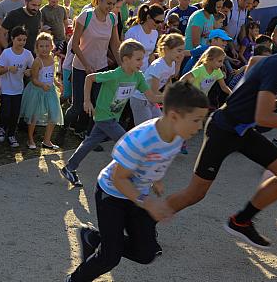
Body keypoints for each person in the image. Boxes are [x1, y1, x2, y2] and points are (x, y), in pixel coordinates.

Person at [165, 15, 277, 248]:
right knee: (194, 194)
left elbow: (253, 61)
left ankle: (241, 221)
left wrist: (249, 91)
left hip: (242, 131)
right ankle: (145, 218)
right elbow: (263, 117)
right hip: (223, 130)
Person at [65, 82, 210, 282]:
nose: (200, 126)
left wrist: (157, 179)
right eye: (196, 120)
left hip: (137, 195)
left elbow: (158, 159)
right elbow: (118, 178)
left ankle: (93, 237)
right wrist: (148, 203)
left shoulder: (177, 137)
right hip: (112, 194)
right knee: (109, 257)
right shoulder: (140, 139)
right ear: (174, 116)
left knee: (146, 253)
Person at [60, 39, 166, 188]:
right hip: (105, 117)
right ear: (125, 60)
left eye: (142, 59)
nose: (142, 62)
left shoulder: (138, 76)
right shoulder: (115, 74)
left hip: (113, 117)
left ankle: (69, 168)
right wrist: (87, 101)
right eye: (138, 59)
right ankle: (137, 176)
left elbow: (152, 97)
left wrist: (171, 97)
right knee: (128, 143)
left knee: (89, 143)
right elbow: (89, 78)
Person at [59, 0, 122, 142]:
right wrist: (86, 65)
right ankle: (63, 129)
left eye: (113, 4)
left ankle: (88, 136)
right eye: (108, 3)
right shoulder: (86, 16)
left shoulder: (112, 18)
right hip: (81, 67)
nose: (110, 7)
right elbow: (74, 45)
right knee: (78, 106)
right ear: (98, 1)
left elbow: (115, 44)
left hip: (101, 68)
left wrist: (122, 66)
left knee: (98, 104)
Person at [129, 33, 186, 125]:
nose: (182, 54)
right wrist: (170, 99)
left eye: (183, 50)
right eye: (179, 50)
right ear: (166, 50)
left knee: (159, 123)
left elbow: (170, 79)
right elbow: (154, 91)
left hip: (152, 99)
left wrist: (170, 93)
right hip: (140, 99)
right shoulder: (158, 66)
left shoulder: (172, 63)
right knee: (145, 127)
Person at [21, 32, 63, 150]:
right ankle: (30, 139)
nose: (44, 49)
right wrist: (42, 85)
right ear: (37, 47)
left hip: (50, 91)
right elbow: (34, 79)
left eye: (47, 46)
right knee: (34, 116)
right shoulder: (37, 61)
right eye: (41, 46)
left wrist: (57, 83)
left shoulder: (52, 57)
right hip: (37, 91)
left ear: (51, 46)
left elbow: (51, 74)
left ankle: (47, 140)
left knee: (53, 115)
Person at [0, 26, 34, 147]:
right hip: (6, 88)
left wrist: (30, 71)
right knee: (5, 111)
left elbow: (34, 68)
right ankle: (1, 128)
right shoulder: (7, 53)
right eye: (19, 39)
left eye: (24, 40)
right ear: (12, 39)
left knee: (15, 113)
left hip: (18, 89)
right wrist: (8, 68)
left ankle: (11, 134)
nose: (22, 42)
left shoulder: (27, 54)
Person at [125, 4, 166, 70]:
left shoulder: (155, 33)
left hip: (145, 72)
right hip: (132, 71)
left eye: (161, 21)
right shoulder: (133, 32)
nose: (160, 24)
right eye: (157, 21)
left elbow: (150, 54)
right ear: (148, 17)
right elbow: (126, 56)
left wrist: (154, 70)